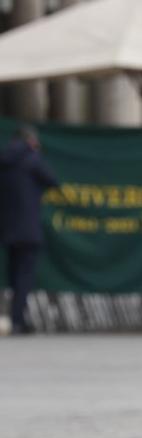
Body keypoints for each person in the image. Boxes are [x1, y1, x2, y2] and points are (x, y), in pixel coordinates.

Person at [0, 125, 58, 336]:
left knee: (13, 276)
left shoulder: (4, 161)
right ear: (31, 142)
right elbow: (53, 181)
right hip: (28, 228)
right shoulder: (32, 160)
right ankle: (18, 320)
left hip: (7, 229)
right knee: (24, 277)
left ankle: (15, 317)